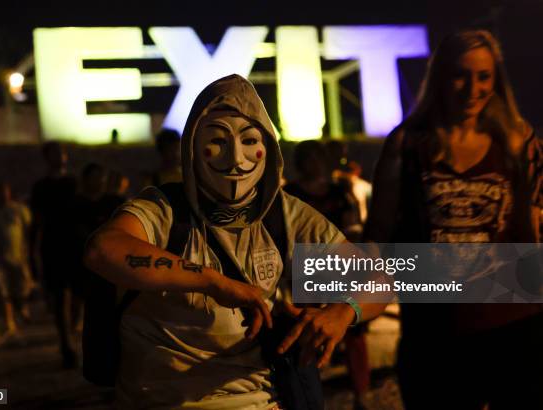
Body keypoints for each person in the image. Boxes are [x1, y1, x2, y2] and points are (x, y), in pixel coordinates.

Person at [84, 74, 387, 409]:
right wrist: (211, 282)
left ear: (267, 147)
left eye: (248, 141)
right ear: (194, 147)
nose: (235, 159)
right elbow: (104, 249)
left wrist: (343, 312)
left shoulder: (286, 215)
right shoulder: (164, 209)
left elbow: (379, 279)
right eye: (218, 141)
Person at [364, 30, 543, 409]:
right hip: (435, 333)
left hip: (515, 326)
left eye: (484, 76)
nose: (472, 88)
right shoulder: (407, 143)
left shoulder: (517, 140)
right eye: (460, 75)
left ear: (496, 80)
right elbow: (377, 238)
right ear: (440, 76)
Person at [284, 140, 370, 409]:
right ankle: (309, 390)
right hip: (306, 271)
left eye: (317, 157)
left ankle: (361, 393)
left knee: (352, 327)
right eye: (308, 157)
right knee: (308, 330)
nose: (314, 163)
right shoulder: (290, 195)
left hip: (339, 268)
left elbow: (351, 226)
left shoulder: (338, 192)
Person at [30, 142, 80, 368]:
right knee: (61, 297)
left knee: (78, 297)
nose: (59, 157)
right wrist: (34, 251)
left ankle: (72, 333)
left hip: (76, 243)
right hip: (53, 245)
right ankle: (66, 343)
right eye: (54, 153)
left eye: (61, 152)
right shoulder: (40, 187)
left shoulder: (74, 183)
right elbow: (37, 221)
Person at [0, 183, 34, 336]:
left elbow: (29, 230)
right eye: (0, 192)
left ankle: (21, 310)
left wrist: (29, 252)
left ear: (9, 192)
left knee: (21, 290)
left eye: (5, 191)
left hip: (19, 257)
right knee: (4, 292)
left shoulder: (19, 210)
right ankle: (9, 322)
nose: (3, 194)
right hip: (0, 259)